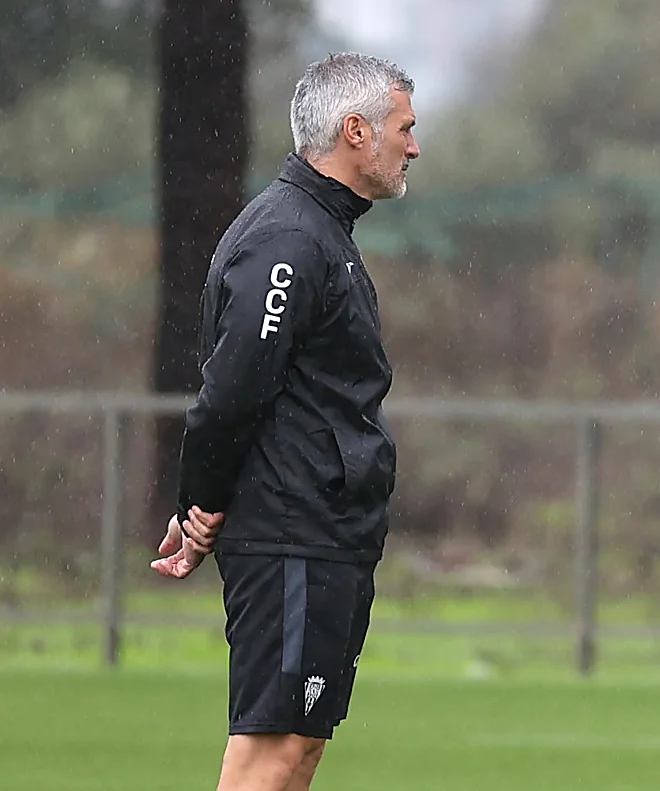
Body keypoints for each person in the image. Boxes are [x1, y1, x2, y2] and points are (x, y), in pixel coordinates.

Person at [150, 52, 420, 791]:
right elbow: (232, 389)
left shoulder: (321, 230)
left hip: (322, 533)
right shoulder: (290, 239)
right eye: (405, 127)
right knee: (270, 750)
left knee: (296, 749)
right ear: (356, 130)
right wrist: (199, 501)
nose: (414, 146)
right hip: (291, 533)